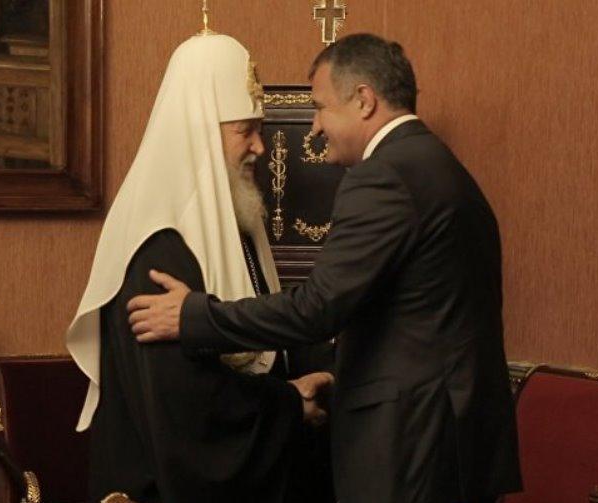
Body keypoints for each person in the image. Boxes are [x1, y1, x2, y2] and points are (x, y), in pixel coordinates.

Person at [128, 33, 522, 503]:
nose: (313, 128)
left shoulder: (383, 176)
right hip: (452, 436)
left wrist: (193, 316)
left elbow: (317, 308)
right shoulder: (436, 164)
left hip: (413, 441)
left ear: (364, 101)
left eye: (320, 107)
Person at [66, 33, 334, 503]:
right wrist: (290, 404)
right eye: (245, 130)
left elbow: (271, 332)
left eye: (260, 129)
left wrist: (326, 373)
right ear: (200, 132)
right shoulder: (158, 246)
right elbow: (186, 408)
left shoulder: (234, 220)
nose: (260, 147)